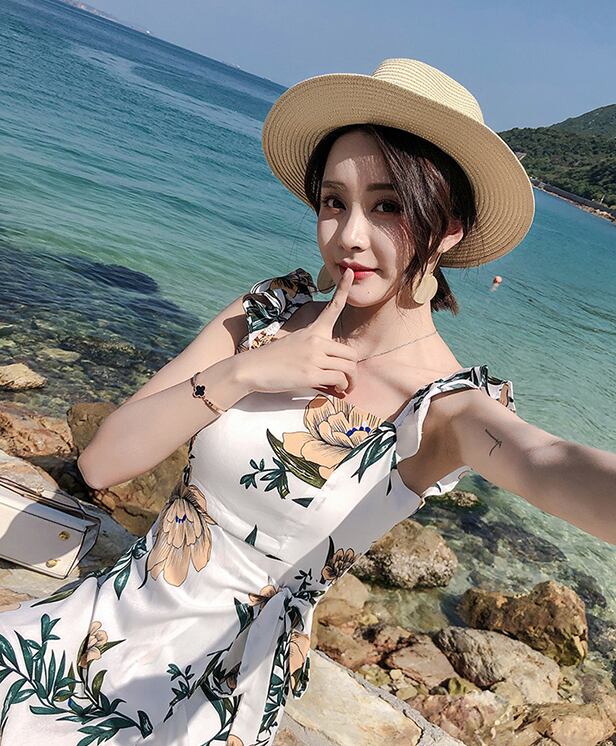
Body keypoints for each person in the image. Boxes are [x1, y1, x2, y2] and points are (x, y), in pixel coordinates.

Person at [1, 57, 615, 746]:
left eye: (388, 206)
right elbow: (104, 462)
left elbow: (546, 461)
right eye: (333, 201)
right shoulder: (268, 315)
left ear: (448, 229)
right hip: (93, 624)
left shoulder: (444, 410)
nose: (348, 234)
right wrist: (244, 373)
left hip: (212, 686)